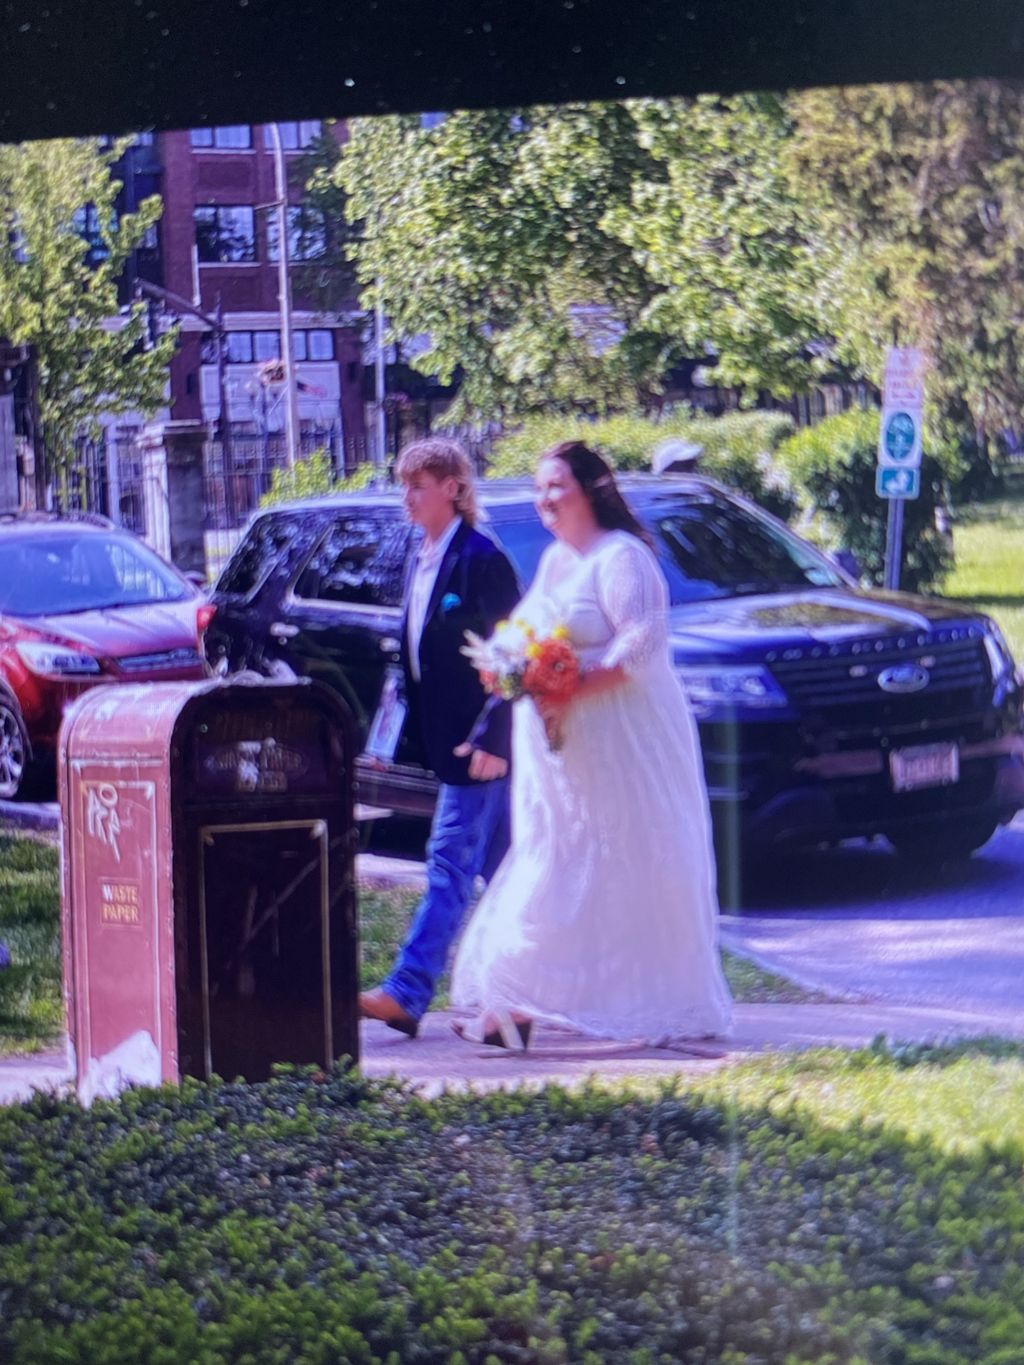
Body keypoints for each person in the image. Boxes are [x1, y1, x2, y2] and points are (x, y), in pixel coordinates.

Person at [450, 440, 733, 1051]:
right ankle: (512, 1005)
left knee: (627, 866)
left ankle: (644, 999)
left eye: (556, 486)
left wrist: (570, 682)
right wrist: (508, 667)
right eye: (538, 488)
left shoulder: (622, 558)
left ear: (591, 490)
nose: (544, 499)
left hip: (622, 746)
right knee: (551, 858)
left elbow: (641, 645)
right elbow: (520, 633)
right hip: (562, 758)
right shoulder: (556, 561)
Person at [359, 437, 520, 1038]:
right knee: (511, 872)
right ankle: (521, 1000)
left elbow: (513, 657)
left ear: (453, 488)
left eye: (418, 486)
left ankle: (407, 991)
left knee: (449, 864)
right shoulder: (421, 556)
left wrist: (493, 738)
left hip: (480, 749)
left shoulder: (482, 561)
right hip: (445, 742)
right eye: (404, 485)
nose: (407, 498)